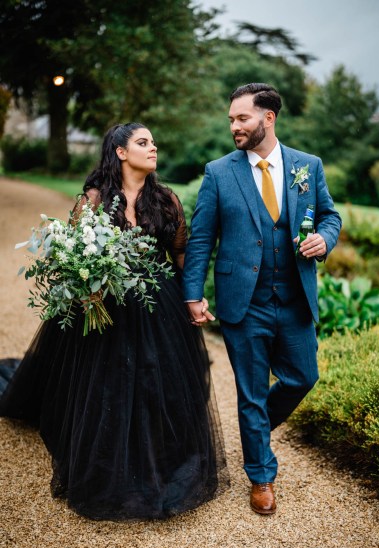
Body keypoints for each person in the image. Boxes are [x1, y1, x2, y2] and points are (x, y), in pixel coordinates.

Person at [0, 122, 229, 520]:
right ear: (121, 152)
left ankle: (157, 458)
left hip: (157, 303)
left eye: (154, 142)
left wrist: (194, 296)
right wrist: (86, 285)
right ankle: (106, 459)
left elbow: (181, 254)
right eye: (143, 142)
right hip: (104, 303)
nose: (153, 147)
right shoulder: (93, 200)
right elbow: (69, 257)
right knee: (104, 382)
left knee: (155, 377)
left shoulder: (166, 200)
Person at [183, 83, 342, 515]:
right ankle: (261, 476)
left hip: (294, 299)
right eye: (232, 119)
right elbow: (201, 239)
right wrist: (192, 294)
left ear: (267, 118)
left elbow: (330, 215)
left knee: (302, 377)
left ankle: (254, 430)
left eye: (242, 118)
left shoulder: (307, 166)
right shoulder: (219, 172)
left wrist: (324, 241)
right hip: (243, 302)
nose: (234, 126)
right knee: (250, 393)